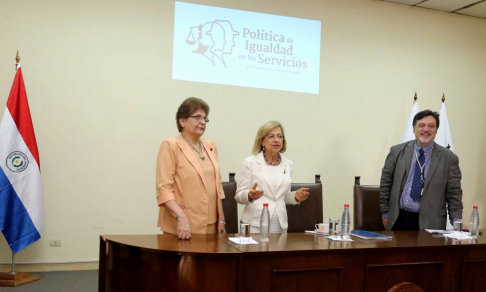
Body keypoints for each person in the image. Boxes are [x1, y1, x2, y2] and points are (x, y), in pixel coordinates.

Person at [379, 109, 463, 231]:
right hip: (398, 218)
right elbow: (386, 184)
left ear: (436, 131)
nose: (426, 129)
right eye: (421, 125)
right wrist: (385, 213)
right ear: (414, 129)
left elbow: (454, 193)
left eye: (431, 126)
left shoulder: (449, 158)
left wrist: (457, 222)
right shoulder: (397, 152)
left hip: (432, 222)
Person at [156, 97, 226, 239]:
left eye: (205, 119)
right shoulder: (170, 145)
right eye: (197, 117)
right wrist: (181, 218)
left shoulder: (210, 146)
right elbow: (164, 190)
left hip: (211, 226)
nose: (202, 122)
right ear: (182, 121)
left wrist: (221, 220)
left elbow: (217, 188)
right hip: (182, 226)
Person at [235, 121, 310, 233]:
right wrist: (249, 195)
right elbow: (238, 196)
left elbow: (282, 197)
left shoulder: (288, 163)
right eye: (271, 136)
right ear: (262, 141)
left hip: (280, 225)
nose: (276, 140)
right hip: (255, 225)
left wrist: (295, 197)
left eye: (279, 136)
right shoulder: (251, 162)